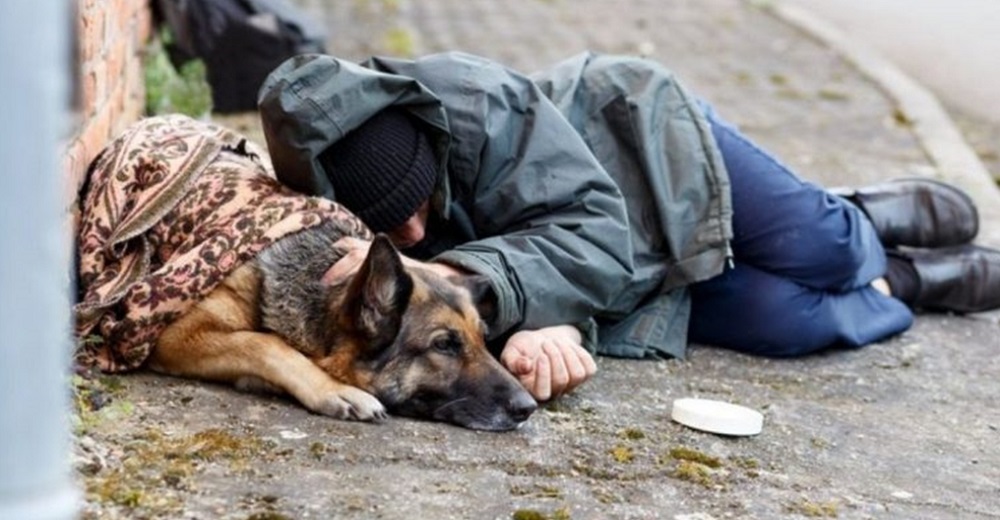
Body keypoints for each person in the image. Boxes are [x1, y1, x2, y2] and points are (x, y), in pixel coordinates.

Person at [257, 51, 1000, 402]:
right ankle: (905, 279)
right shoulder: (338, 209)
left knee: (826, 250)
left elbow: (592, 226)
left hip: (645, 156)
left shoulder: (475, 99)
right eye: (393, 225)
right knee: (791, 322)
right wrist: (548, 330)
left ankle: (861, 218)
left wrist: (468, 279)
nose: (414, 235)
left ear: (424, 141)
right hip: (607, 274)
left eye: (421, 204)